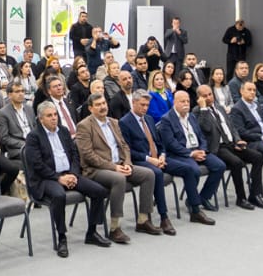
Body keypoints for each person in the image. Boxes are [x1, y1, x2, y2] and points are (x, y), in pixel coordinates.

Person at [22, 99, 107, 257]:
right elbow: (37, 165)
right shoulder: (33, 137)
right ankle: (62, 237)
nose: (54, 118)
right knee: (59, 195)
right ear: (41, 119)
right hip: (46, 179)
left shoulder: (63, 131)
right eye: (49, 115)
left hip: (69, 174)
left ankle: (92, 232)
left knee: (99, 191)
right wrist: (58, 178)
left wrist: (73, 174)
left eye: (55, 114)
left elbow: (75, 155)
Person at [75, 89, 156, 240]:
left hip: (119, 164)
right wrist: (114, 167)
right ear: (90, 108)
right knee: (119, 179)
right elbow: (88, 155)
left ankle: (143, 220)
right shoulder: (84, 126)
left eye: (104, 103)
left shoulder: (114, 122)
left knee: (148, 174)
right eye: (98, 105)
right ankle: (115, 227)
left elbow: (124, 146)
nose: (102, 107)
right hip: (96, 170)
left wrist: (127, 163)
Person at [117, 89, 181, 234]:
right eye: (142, 105)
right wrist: (150, 159)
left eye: (147, 105)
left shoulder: (150, 119)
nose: (145, 108)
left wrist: (162, 155)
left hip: (157, 159)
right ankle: (164, 217)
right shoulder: (124, 122)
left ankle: (195, 207)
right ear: (133, 103)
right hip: (139, 160)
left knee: (187, 168)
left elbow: (159, 143)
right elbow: (127, 151)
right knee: (157, 173)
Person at [153, 89, 221, 225]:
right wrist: (190, 154)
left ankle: (201, 198)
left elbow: (201, 136)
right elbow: (171, 144)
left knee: (219, 166)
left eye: (188, 101)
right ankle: (195, 210)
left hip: (197, 150)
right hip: (179, 154)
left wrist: (202, 150)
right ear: (175, 102)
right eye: (182, 101)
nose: (186, 104)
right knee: (193, 170)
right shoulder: (167, 119)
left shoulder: (191, 116)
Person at [229, 79, 263, 205]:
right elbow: (242, 132)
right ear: (241, 91)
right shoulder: (237, 109)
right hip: (253, 141)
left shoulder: (257, 106)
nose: (252, 92)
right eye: (249, 90)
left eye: (254, 90)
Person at [0, 79, 33, 197]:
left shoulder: (29, 109)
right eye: (17, 91)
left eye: (22, 91)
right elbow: (5, 138)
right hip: (17, 149)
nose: (21, 94)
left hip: (32, 144)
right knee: (35, 156)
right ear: (9, 95)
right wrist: (25, 144)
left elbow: (35, 129)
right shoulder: (3, 113)